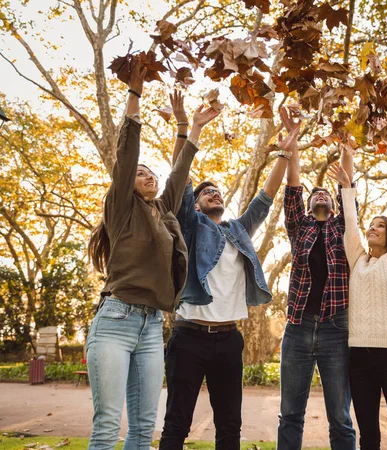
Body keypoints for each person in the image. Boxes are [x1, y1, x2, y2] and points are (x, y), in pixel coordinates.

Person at [86, 56, 218, 449]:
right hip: (115, 319)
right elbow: (126, 155)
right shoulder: (122, 210)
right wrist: (135, 94)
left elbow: (178, 175)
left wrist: (190, 128)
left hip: (150, 327)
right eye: (141, 174)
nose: (148, 175)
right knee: (108, 425)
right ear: (128, 184)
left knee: (144, 430)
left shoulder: (162, 212)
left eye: (151, 173)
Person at [159, 107, 302, 450]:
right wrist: (189, 128)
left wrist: (285, 149)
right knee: (177, 423)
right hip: (189, 337)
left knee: (229, 427)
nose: (214, 192)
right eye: (206, 192)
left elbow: (265, 199)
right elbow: (180, 181)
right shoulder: (190, 228)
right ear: (193, 205)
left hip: (228, 340)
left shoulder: (238, 230)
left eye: (218, 190)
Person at [327, 159, 387, 450]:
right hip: (360, 358)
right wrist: (346, 188)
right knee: (368, 438)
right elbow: (351, 225)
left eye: (381, 226)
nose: (373, 228)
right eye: (372, 225)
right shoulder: (358, 261)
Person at [277, 119, 356, 449]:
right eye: (315, 193)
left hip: (336, 327)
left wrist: (347, 146)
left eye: (326, 193)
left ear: (334, 204)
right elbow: (293, 187)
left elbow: (349, 190)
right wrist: (292, 144)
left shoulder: (344, 227)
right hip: (297, 327)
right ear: (309, 206)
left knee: (340, 416)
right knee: (291, 414)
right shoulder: (299, 228)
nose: (320, 194)